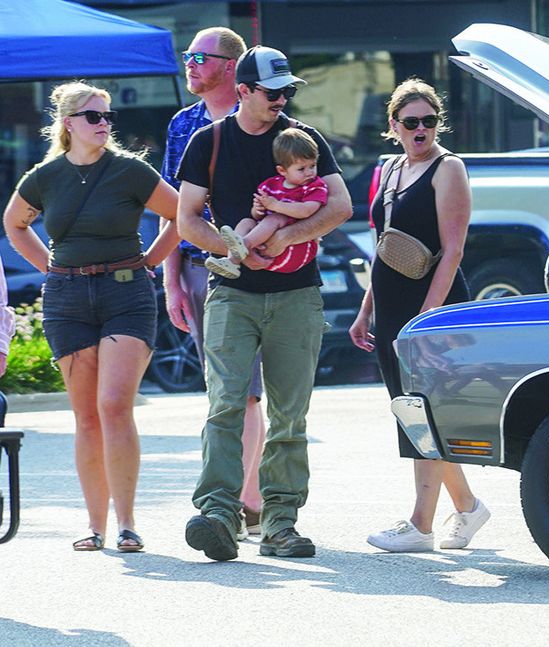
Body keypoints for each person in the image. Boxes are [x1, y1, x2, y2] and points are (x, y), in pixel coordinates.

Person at [176, 45, 351, 561]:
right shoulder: (208, 142)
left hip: (297, 294)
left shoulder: (304, 140)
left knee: (290, 416)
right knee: (225, 404)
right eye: (272, 91)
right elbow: (187, 219)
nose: (281, 100)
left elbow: (339, 205)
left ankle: (280, 524)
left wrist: (283, 236)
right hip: (232, 292)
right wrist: (233, 249)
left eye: (287, 91)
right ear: (244, 91)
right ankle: (217, 515)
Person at [2, 81, 181, 552]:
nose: (104, 124)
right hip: (67, 298)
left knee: (114, 405)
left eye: (107, 116)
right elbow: (14, 224)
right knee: (85, 417)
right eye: (93, 116)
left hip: (126, 292)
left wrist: (153, 262)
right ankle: (95, 526)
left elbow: (181, 214)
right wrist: (50, 268)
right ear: (68, 124)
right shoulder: (45, 176)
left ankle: (127, 524)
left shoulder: (129, 171)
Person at [349, 78, 490, 553]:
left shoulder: (448, 168)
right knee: (415, 414)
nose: (421, 130)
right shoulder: (390, 169)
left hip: (432, 309)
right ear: (394, 126)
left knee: (422, 412)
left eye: (429, 121)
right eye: (411, 122)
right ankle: (468, 508)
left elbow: (452, 252)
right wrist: (366, 309)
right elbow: (384, 246)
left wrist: (426, 320)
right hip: (391, 306)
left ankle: (421, 524)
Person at [161, 26, 267, 540]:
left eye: (199, 57)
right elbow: (171, 212)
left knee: (246, 393)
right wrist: (171, 280)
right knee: (220, 390)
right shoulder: (183, 124)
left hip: (256, 268)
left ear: (230, 66)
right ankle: (244, 496)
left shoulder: (262, 119)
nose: (190, 64)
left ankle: (248, 499)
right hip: (197, 267)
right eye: (188, 56)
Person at [207, 128, 328, 279]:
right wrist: (258, 209)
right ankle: (232, 261)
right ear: (282, 170)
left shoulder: (315, 186)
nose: (309, 172)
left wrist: (276, 206)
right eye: (301, 168)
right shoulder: (269, 186)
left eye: (313, 165)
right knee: (247, 221)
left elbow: (306, 211)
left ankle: (243, 245)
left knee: (276, 218)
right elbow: (257, 216)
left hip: (296, 249)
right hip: (266, 248)